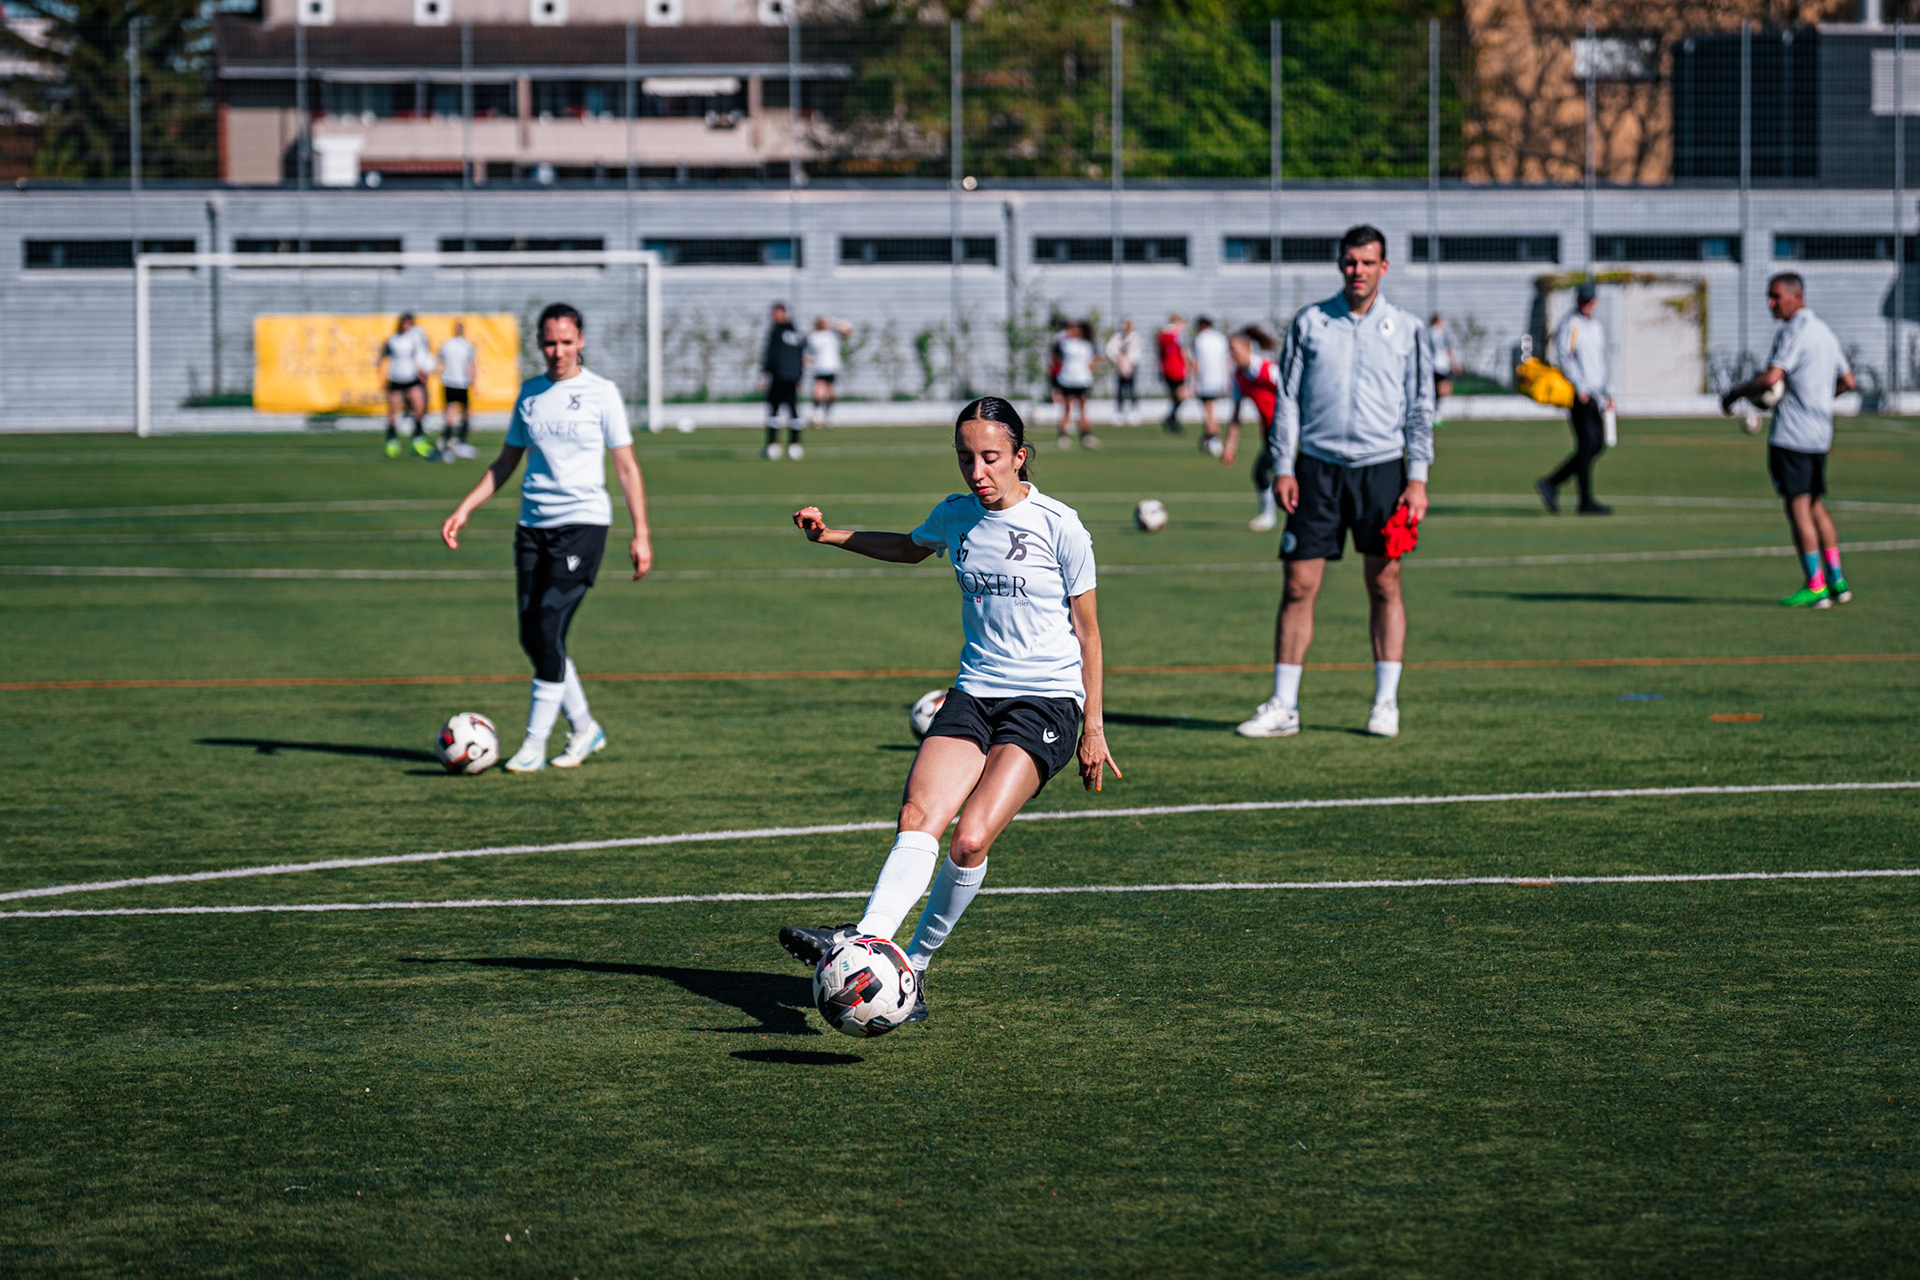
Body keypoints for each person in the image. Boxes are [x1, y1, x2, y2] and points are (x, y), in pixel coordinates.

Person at [776, 397, 1120, 1023]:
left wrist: (1093, 729)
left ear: (1020, 456)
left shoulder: (1060, 525)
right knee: (918, 817)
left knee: (970, 839)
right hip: (974, 690)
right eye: (966, 458)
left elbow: (1089, 632)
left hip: (1046, 700)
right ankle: (864, 941)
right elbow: (910, 547)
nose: (977, 472)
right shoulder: (956, 515)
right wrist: (829, 535)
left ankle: (915, 965)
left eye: (991, 457)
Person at [1236, 224, 1434, 741]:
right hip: (1316, 470)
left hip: (1383, 470)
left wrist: (1417, 478)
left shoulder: (1407, 328)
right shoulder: (1311, 322)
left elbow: (1420, 406)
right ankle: (1284, 705)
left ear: (1383, 267)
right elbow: (1288, 400)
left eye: (1367, 262)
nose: (1357, 271)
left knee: (1385, 583)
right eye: (1350, 262)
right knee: (1298, 585)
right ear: (1340, 264)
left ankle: (1386, 703)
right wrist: (1283, 465)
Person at [440, 303, 654, 772]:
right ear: (540, 344)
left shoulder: (601, 393)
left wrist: (641, 533)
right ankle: (584, 728)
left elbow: (626, 466)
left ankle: (534, 744)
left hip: (582, 526)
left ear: (581, 341)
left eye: (566, 342)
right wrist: (464, 508)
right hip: (532, 528)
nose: (558, 351)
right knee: (533, 636)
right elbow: (506, 461)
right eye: (550, 343)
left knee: (548, 625)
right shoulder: (530, 394)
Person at [1720, 273, 1858, 608]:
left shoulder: (1794, 331)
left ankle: (1815, 586)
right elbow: (1848, 381)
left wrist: (1736, 392)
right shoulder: (1824, 331)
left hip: (1793, 436)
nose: (1771, 303)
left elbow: (1772, 378)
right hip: (1820, 435)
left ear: (1796, 296)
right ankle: (1838, 582)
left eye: (1776, 296)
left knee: (1797, 507)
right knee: (1815, 505)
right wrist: (1818, 399)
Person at [1536, 282, 1613, 516]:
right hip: (1580, 395)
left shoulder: (1596, 327)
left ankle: (1554, 484)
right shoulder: (1571, 325)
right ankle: (1578, 497)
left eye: (1589, 301)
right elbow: (1565, 356)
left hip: (1595, 394)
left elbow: (1602, 361)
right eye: (1583, 301)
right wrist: (1579, 385)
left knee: (1594, 445)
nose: (1586, 305)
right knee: (1588, 445)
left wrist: (1608, 392)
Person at [1229, 326, 1283, 531]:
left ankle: (1269, 515)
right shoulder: (1239, 377)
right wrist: (1231, 446)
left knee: (1262, 471)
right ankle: (1270, 514)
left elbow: (1296, 396)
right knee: (1271, 472)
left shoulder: (1270, 370)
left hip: (1285, 431)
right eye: (1230, 350)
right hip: (1269, 431)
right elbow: (1236, 415)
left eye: (1234, 349)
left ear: (1248, 347)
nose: (1232, 354)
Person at [378, 313, 435, 459]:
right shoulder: (393, 340)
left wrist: (421, 371)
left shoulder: (415, 339)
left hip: (411, 378)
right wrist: (382, 377)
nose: (407, 326)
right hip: (396, 379)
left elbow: (420, 357)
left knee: (419, 408)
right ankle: (392, 442)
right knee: (393, 412)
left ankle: (417, 440)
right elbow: (383, 358)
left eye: (409, 323)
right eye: (405, 323)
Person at [761, 302, 807, 460]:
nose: (774, 316)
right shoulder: (794, 331)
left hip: (784, 377)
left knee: (786, 411)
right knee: (779, 411)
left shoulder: (778, 331)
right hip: (786, 377)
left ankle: (788, 444)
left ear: (784, 313)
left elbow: (771, 355)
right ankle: (779, 445)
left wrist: (765, 373)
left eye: (777, 313)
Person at [436, 321, 478, 462]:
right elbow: (470, 365)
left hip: (452, 382)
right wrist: (473, 380)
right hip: (458, 382)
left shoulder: (449, 344)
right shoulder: (465, 345)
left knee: (453, 414)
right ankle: (458, 444)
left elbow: (440, 362)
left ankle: (452, 445)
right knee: (460, 414)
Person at [1191, 316, 1233, 457]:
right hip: (1220, 379)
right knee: (1213, 410)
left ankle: (1213, 439)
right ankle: (1212, 438)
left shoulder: (1199, 339)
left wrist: (1193, 382)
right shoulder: (1220, 338)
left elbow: (1196, 363)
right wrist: (1227, 380)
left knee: (1208, 410)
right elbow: (1227, 360)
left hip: (1205, 379)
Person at [1054, 320, 1099, 449]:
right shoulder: (1064, 343)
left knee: (1083, 409)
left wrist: (1089, 369)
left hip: (1082, 380)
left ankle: (1085, 435)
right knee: (1067, 409)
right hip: (1067, 379)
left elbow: (1094, 359)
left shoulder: (1086, 344)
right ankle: (1063, 436)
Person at [806, 316, 854, 428]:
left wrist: (832, 321)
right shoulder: (814, 336)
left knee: (830, 393)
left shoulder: (833, 334)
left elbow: (848, 328)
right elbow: (809, 354)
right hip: (819, 368)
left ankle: (826, 414)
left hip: (832, 367)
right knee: (819, 391)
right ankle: (817, 415)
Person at [1106, 317, 1144, 426]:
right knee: (1120, 389)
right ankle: (1119, 412)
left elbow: (1137, 353)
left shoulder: (1135, 337)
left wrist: (1129, 362)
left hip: (1131, 367)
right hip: (1119, 367)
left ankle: (1134, 411)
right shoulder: (1118, 337)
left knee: (1131, 388)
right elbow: (1110, 349)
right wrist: (1117, 360)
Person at [1157, 313, 1190, 433]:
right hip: (1177, 369)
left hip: (1167, 369)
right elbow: (1183, 352)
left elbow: (1160, 353)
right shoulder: (1178, 335)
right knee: (1182, 396)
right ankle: (1171, 419)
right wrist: (1188, 366)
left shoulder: (1163, 335)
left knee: (1175, 396)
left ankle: (1171, 419)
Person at [1427, 313, 1457, 426]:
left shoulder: (1427, 332)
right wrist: (1454, 363)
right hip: (1441, 365)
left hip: (1430, 365)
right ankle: (1436, 413)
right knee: (1442, 389)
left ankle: (1432, 413)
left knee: (1433, 389)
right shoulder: (1441, 333)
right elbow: (1448, 350)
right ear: (1438, 321)